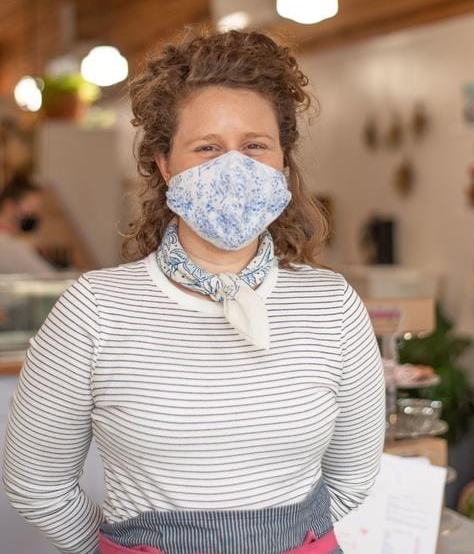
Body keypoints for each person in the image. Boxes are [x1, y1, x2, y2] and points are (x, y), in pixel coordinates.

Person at [2, 28, 385, 554]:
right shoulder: (94, 309)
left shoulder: (332, 305)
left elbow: (353, 477)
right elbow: (36, 484)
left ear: (282, 162)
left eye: (255, 146)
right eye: (207, 148)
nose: (234, 166)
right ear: (164, 164)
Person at [0, 177, 55, 275]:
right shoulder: (9, 246)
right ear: (9, 206)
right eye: (32, 211)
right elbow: (50, 280)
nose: (36, 217)